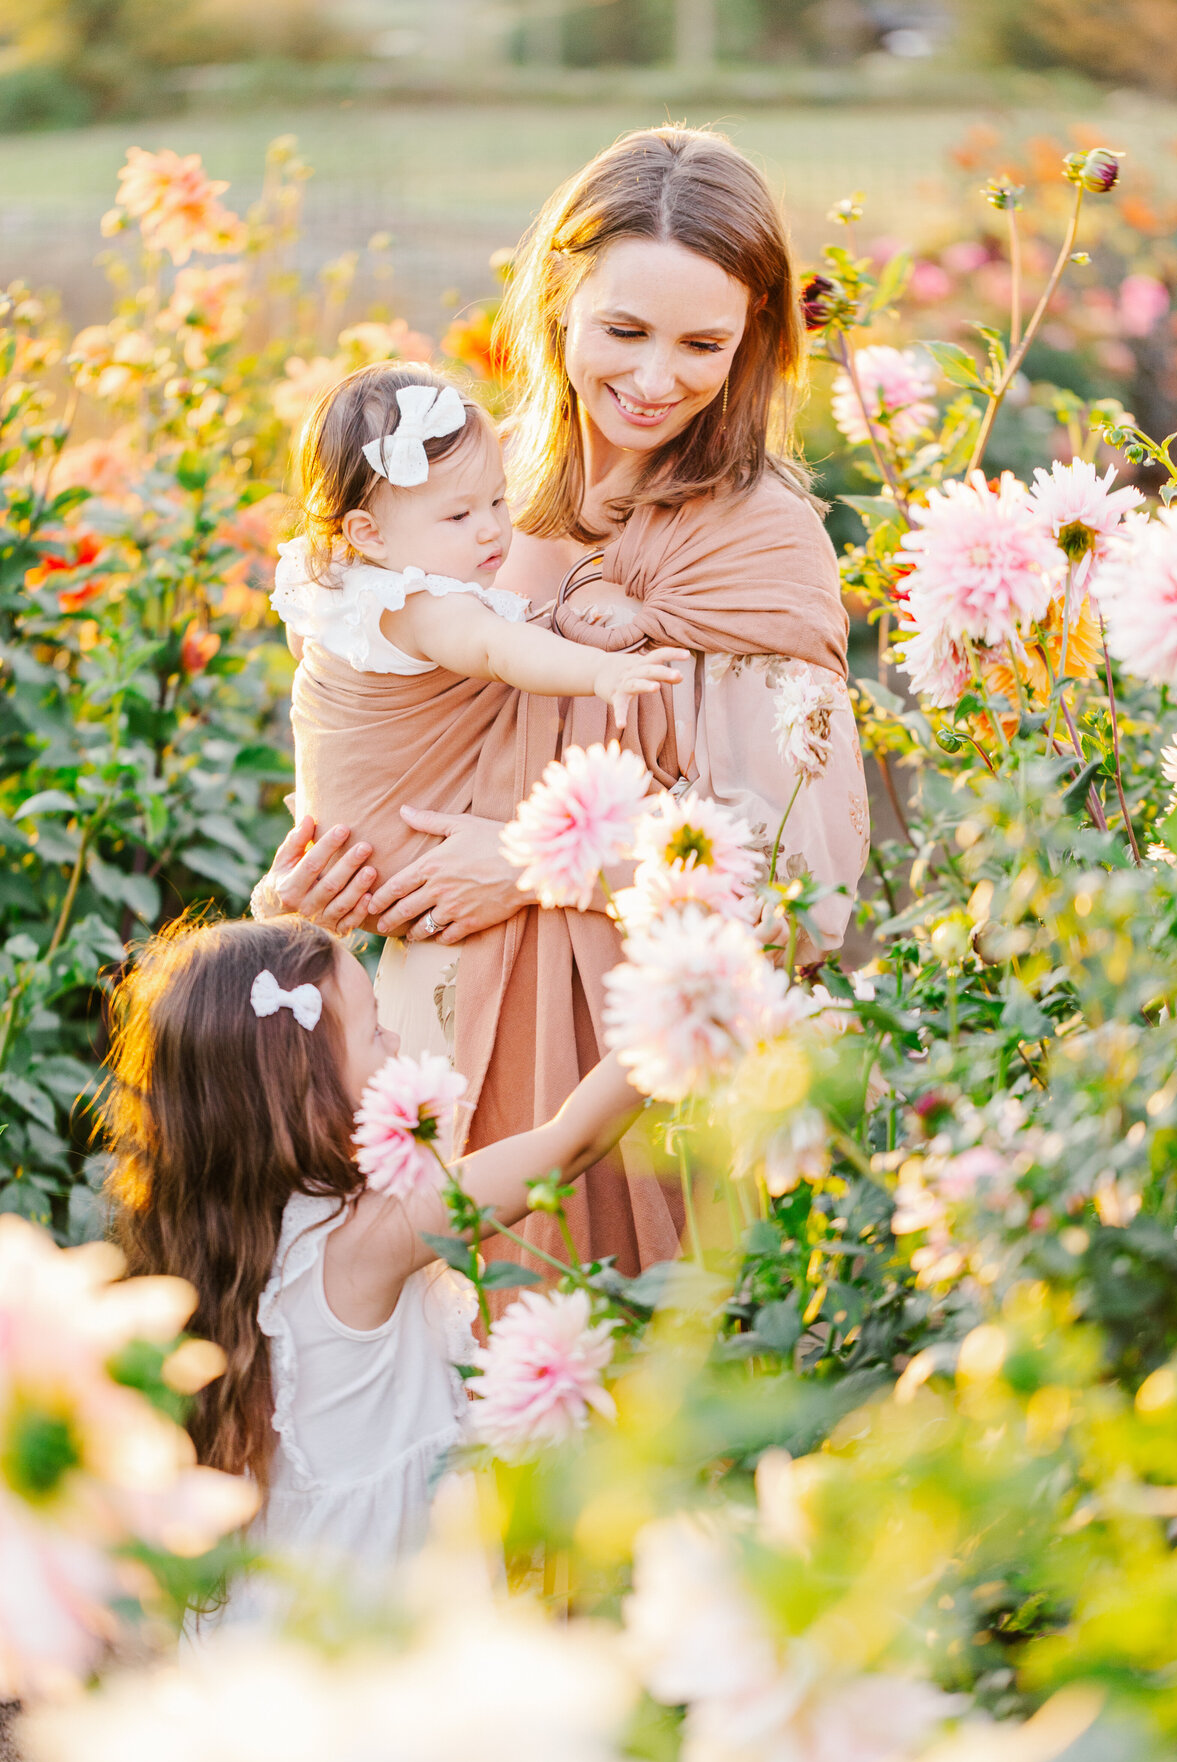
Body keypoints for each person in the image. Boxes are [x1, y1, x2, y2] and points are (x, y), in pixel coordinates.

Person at [253, 125, 869, 1280]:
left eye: (703, 344)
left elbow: (806, 886)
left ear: (756, 345)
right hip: (425, 1051)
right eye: (623, 331)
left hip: (628, 1094)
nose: (654, 379)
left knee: (609, 1394)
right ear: (557, 305)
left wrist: (544, 858)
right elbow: (360, 751)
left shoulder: (760, 551)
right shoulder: (464, 503)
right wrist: (302, 898)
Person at [102, 914, 642, 1574]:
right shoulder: (370, 1238)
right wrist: (685, 1003)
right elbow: (570, 1142)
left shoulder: (221, 1239)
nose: (396, 1043)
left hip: (288, 1589)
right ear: (306, 1098)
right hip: (380, 1597)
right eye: (375, 1032)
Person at [273, 362, 685, 861]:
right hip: (407, 840)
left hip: (346, 837)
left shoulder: (343, 580)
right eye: (459, 515)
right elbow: (498, 649)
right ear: (370, 533)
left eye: (497, 500)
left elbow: (306, 650)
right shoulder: (422, 606)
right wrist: (601, 670)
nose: (491, 528)